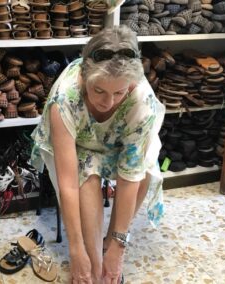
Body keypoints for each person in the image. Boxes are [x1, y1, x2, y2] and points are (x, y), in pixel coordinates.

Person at [30, 26, 165, 284]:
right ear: (85, 74)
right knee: (86, 178)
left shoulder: (140, 101)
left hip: (118, 137)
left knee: (145, 171)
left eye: (118, 93)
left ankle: (108, 249)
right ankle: (94, 264)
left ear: (132, 84)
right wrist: (76, 250)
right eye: (99, 91)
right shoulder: (65, 98)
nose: (109, 102)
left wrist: (118, 247)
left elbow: (130, 176)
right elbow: (68, 185)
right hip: (78, 139)